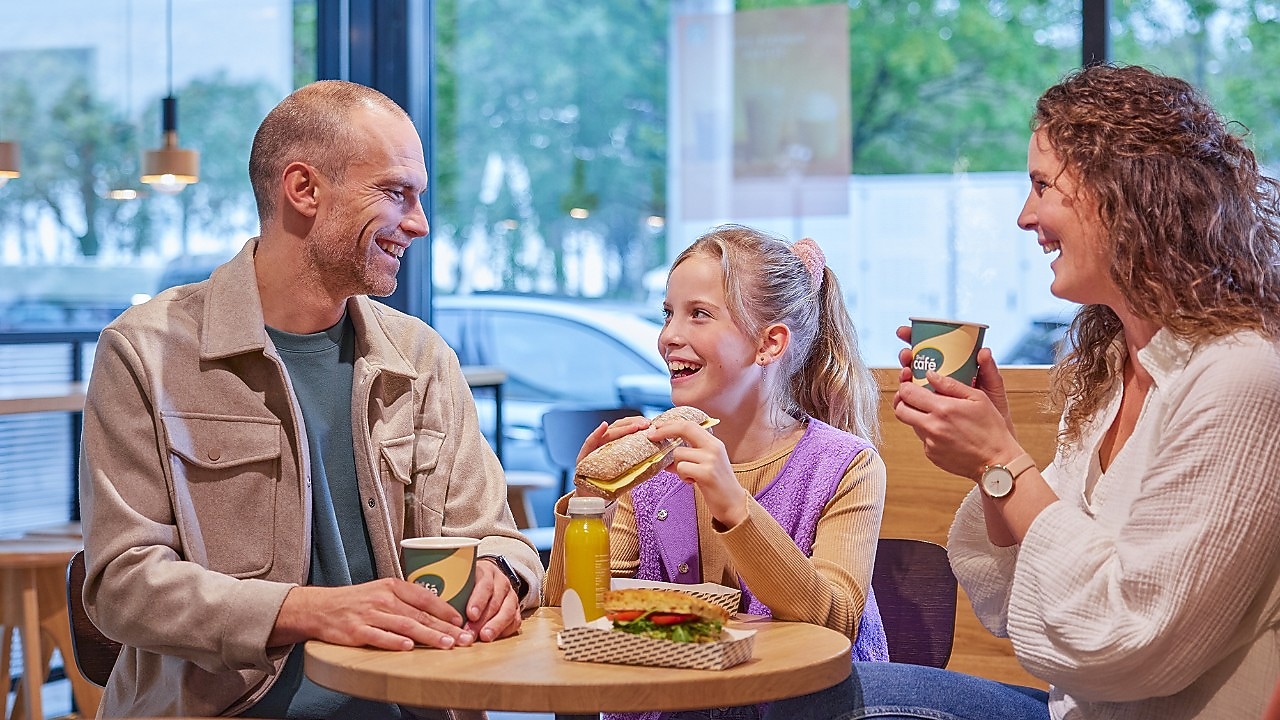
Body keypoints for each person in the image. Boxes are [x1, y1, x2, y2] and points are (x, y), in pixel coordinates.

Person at [767, 64, 1280, 720]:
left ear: (1127, 192)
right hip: (1074, 709)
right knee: (811, 693)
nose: (1024, 216)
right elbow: (1016, 601)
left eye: (1042, 186)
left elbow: (1128, 643)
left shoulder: (1240, 377)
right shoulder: (1110, 371)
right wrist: (992, 463)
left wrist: (999, 459)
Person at [78, 80, 542, 719]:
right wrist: (309, 611)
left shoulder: (422, 357)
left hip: (416, 703)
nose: (419, 223)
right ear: (303, 190)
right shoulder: (146, 351)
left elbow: (499, 538)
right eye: (395, 193)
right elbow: (123, 586)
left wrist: (501, 575)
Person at [543, 224, 890, 720]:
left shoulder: (845, 465)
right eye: (668, 314)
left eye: (699, 315)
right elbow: (569, 620)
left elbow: (835, 623)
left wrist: (734, 507)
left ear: (769, 344)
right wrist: (587, 508)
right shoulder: (652, 467)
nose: (668, 337)